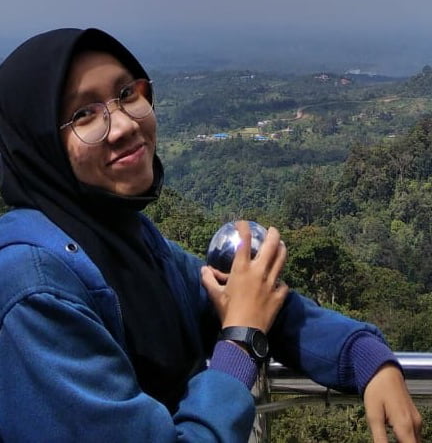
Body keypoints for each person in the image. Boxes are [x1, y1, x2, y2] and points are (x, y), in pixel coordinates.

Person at [0, 27, 421, 443]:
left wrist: (364, 355)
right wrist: (241, 342)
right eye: (83, 115)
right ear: (37, 146)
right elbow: (244, 319)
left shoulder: (129, 239)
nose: (124, 124)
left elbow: (246, 298)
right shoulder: (33, 292)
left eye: (127, 93)